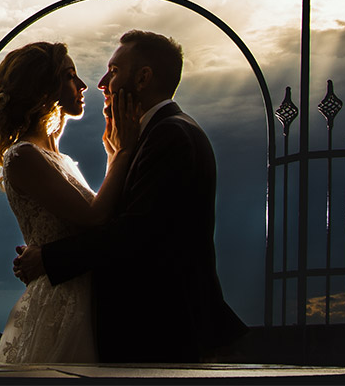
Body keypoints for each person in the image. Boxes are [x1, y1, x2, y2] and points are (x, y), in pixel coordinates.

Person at [13, 29, 247, 363]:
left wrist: (49, 258)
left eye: (114, 71)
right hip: (147, 329)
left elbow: (135, 233)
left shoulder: (171, 135)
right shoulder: (151, 136)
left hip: (164, 330)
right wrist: (119, 155)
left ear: (143, 78)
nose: (101, 83)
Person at [0, 41, 135, 364]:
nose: (82, 86)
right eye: (70, 76)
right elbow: (95, 216)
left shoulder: (57, 158)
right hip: (63, 299)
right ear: (43, 88)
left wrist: (112, 155)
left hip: (83, 292)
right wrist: (123, 152)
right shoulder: (24, 155)